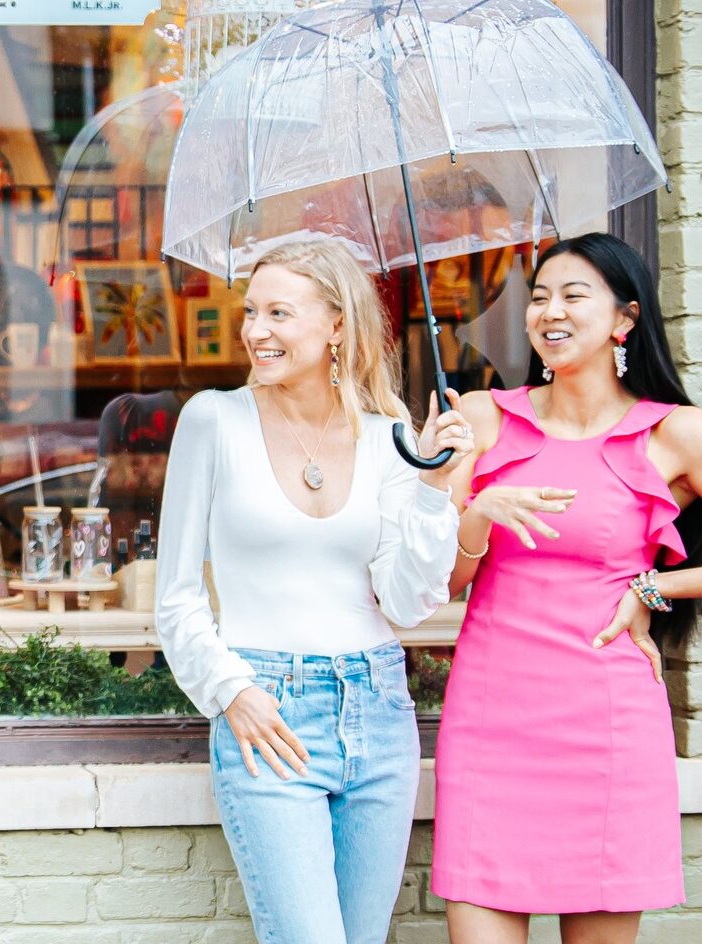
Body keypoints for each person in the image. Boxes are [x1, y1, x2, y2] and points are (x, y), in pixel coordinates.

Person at [435, 232, 702, 944]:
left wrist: (656, 588)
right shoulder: (484, 420)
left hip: (608, 725)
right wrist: (467, 509)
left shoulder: (673, 433)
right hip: (492, 724)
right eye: (539, 296)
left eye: (573, 295)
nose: (550, 310)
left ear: (624, 319)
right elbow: (443, 583)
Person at [155, 239, 473, 944]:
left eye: (279, 313)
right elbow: (175, 597)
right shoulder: (214, 420)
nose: (256, 331)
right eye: (251, 312)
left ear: (336, 324)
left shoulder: (390, 437)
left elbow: (409, 602)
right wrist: (232, 691)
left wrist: (432, 489)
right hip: (269, 711)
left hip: (379, 709)